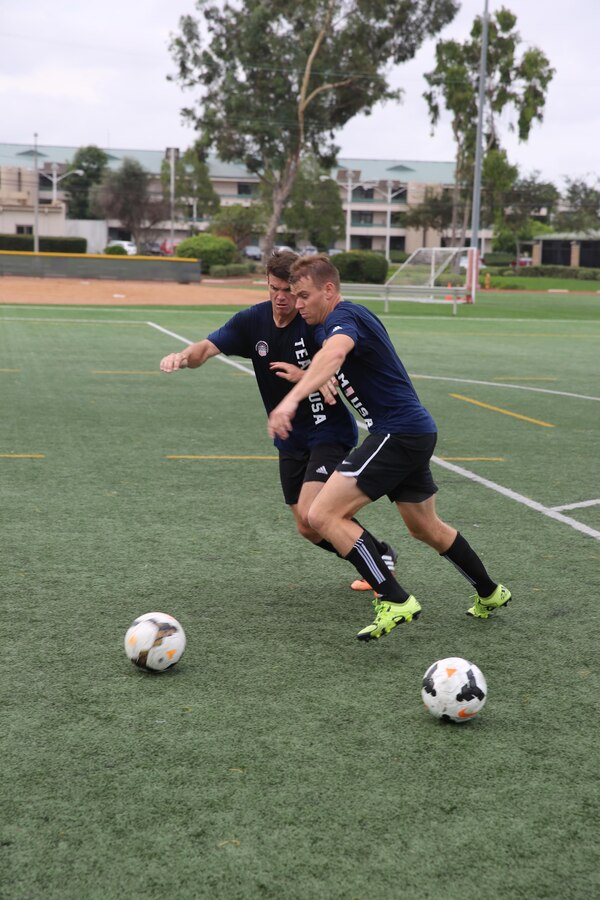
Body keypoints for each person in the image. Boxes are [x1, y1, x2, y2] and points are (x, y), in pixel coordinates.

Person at [268, 255, 512, 641]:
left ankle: (394, 597)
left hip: (397, 433)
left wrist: (291, 399)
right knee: (425, 527)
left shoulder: (343, 318)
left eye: (303, 295)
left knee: (322, 515)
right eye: (293, 296)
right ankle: (491, 592)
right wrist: (309, 375)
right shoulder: (330, 324)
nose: (297, 304)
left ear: (328, 291)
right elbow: (331, 359)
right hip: (412, 432)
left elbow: (334, 353)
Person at [159, 250, 396, 584]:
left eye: (289, 290)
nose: (282, 298)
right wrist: (183, 356)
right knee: (306, 525)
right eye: (274, 289)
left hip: (328, 431)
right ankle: (380, 551)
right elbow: (206, 349)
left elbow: (336, 356)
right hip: (288, 434)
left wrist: (309, 375)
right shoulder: (251, 321)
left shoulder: (313, 321)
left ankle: (380, 571)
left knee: (318, 513)